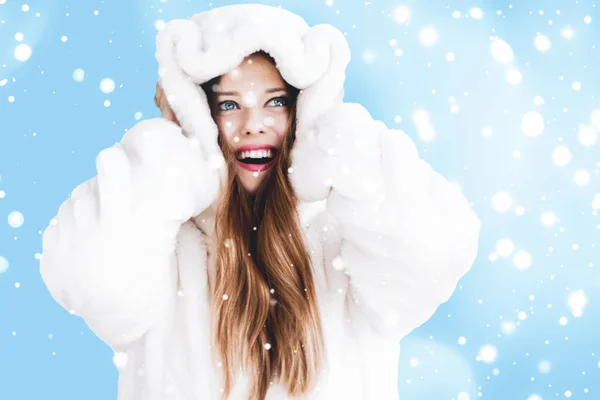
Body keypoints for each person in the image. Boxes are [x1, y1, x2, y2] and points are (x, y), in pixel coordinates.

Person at [40, 4, 482, 400]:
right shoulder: (161, 240)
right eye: (229, 104)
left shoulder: (349, 237)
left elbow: (431, 255)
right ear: (200, 116)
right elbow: (91, 278)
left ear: (303, 112)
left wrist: (344, 149)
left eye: (275, 102)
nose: (253, 125)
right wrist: (166, 154)